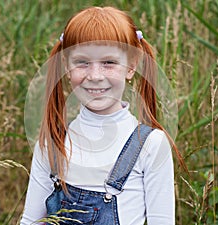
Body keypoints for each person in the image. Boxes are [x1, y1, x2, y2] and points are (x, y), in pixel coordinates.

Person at [21, 6, 186, 225]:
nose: (95, 76)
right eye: (82, 62)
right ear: (66, 66)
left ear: (131, 66)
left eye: (109, 62)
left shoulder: (151, 144)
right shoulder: (52, 143)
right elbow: (31, 221)